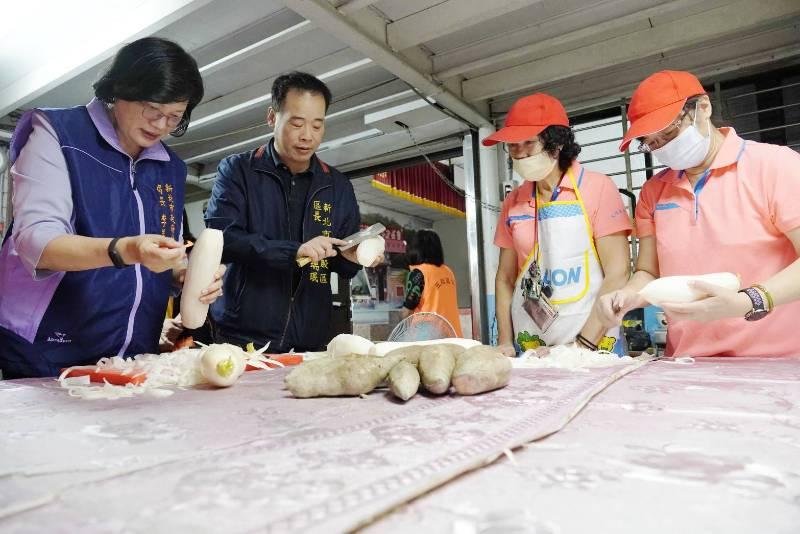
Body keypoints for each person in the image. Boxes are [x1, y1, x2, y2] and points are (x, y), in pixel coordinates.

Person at [0, 37, 224, 378]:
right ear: (120, 89)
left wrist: (184, 275)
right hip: (48, 347)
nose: (161, 125)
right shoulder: (59, 133)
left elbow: (164, 254)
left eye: (174, 117)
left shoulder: (170, 166)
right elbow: (36, 241)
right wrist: (126, 249)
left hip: (131, 354)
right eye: (153, 110)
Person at [597, 70, 800, 356]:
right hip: (688, 362)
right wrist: (631, 294)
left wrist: (748, 300)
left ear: (703, 108)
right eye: (651, 143)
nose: (663, 147)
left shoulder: (775, 166)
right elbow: (648, 270)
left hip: (775, 363)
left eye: (668, 134)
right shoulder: (654, 192)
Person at [205, 72, 377, 353]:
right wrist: (294, 252)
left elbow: (342, 267)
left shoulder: (336, 185)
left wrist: (355, 256)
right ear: (272, 118)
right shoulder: (238, 171)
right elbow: (223, 240)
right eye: (297, 123)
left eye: (317, 126)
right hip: (243, 335)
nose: (307, 136)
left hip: (311, 335)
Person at [485, 93, 632, 356]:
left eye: (528, 143)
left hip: (593, 346)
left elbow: (618, 272)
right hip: (533, 347)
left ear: (556, 144)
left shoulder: (598, 188)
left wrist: (582, 346)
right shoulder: (514, 202)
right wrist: (505, 342)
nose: (518, 154)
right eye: (512, 146)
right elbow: (505, 278)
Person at [402, 230, 464, 337]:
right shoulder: (448, 271)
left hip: (429, 337)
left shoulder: (418, 273)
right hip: (453, 334)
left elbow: (407, 310)